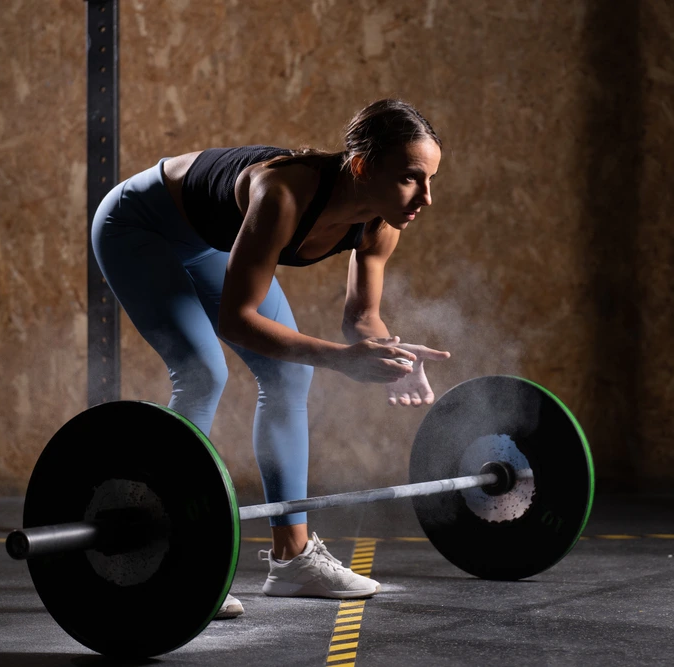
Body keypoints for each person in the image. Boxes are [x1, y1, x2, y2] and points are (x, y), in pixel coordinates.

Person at [90, 98, 449, 618]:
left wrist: (391, 357)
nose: (426, 197)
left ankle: (293, 559)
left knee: (286, 375)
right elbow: (239, 319)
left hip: (208, 241)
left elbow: (362, 319)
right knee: (202, 373)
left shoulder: (382, 223)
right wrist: (343, 360)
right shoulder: (282, 194)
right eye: (412, 178)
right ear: (364, 166)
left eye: (432, 179)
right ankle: (170, 556)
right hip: (137, 227)